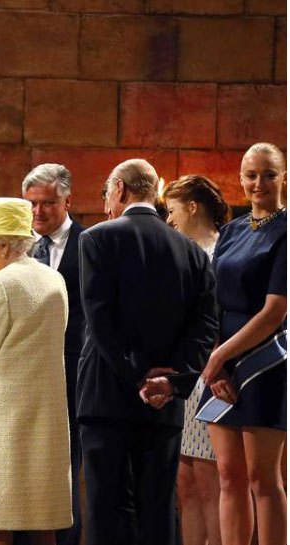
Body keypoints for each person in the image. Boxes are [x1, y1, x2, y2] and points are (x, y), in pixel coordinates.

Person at [78, 159, 219, 545]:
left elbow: (101, 320)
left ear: (120, 189)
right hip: (164, 405)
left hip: (106, 398)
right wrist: (170, 382)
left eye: (108, 193)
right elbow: (205, 326)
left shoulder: (95, 239)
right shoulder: (191, 252)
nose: (107, 202)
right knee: (158, 508)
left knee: (107, 510)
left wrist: (138, 375)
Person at [0, 197, 72, 545]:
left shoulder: (0, 286)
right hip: (46, 416)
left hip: (2, 421)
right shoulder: (55, 281)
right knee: (43, 521)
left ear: (5, 245)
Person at [194, 143, 287, 545]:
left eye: (268, 174)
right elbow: (211, 300)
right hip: (223, 366)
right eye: (251, 175)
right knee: (229, 475)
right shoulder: (232, 229)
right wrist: (216, 366)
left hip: (264, 362)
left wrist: (219, 356)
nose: (258, 183)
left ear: (284, 177)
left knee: (262, 478)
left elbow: (275, 311)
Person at [163, 174, 231, 545]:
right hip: (184, 379)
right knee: (185, 485)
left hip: (211, 375)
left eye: (173, 210)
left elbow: (217, 318)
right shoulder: (181, 253)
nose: (169, 220)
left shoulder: (221, 252)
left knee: (210, 484)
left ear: (193, 207)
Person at [20, 164, 85, 545]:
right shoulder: (15, 247)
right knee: (25, 468)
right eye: (31, 204)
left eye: (47, 203)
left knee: (67, 470)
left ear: (67, 200)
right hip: (23, 377)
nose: (38, 212)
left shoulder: (90, 243)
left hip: (74, 374)